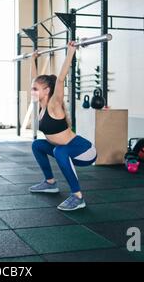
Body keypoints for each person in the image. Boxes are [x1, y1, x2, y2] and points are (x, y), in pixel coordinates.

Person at [29, 42, 97, 211]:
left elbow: (60, 80)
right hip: (63, 149)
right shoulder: (40, 105)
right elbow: (33, 80)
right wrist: (33, 60)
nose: (32, 91)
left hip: (83, 150)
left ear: (47, 90)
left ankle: (77, 197)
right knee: (37, 145)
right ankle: (50, 183)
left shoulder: (53, 104)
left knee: (60, 151)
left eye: (36, 89)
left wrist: (70, 52)